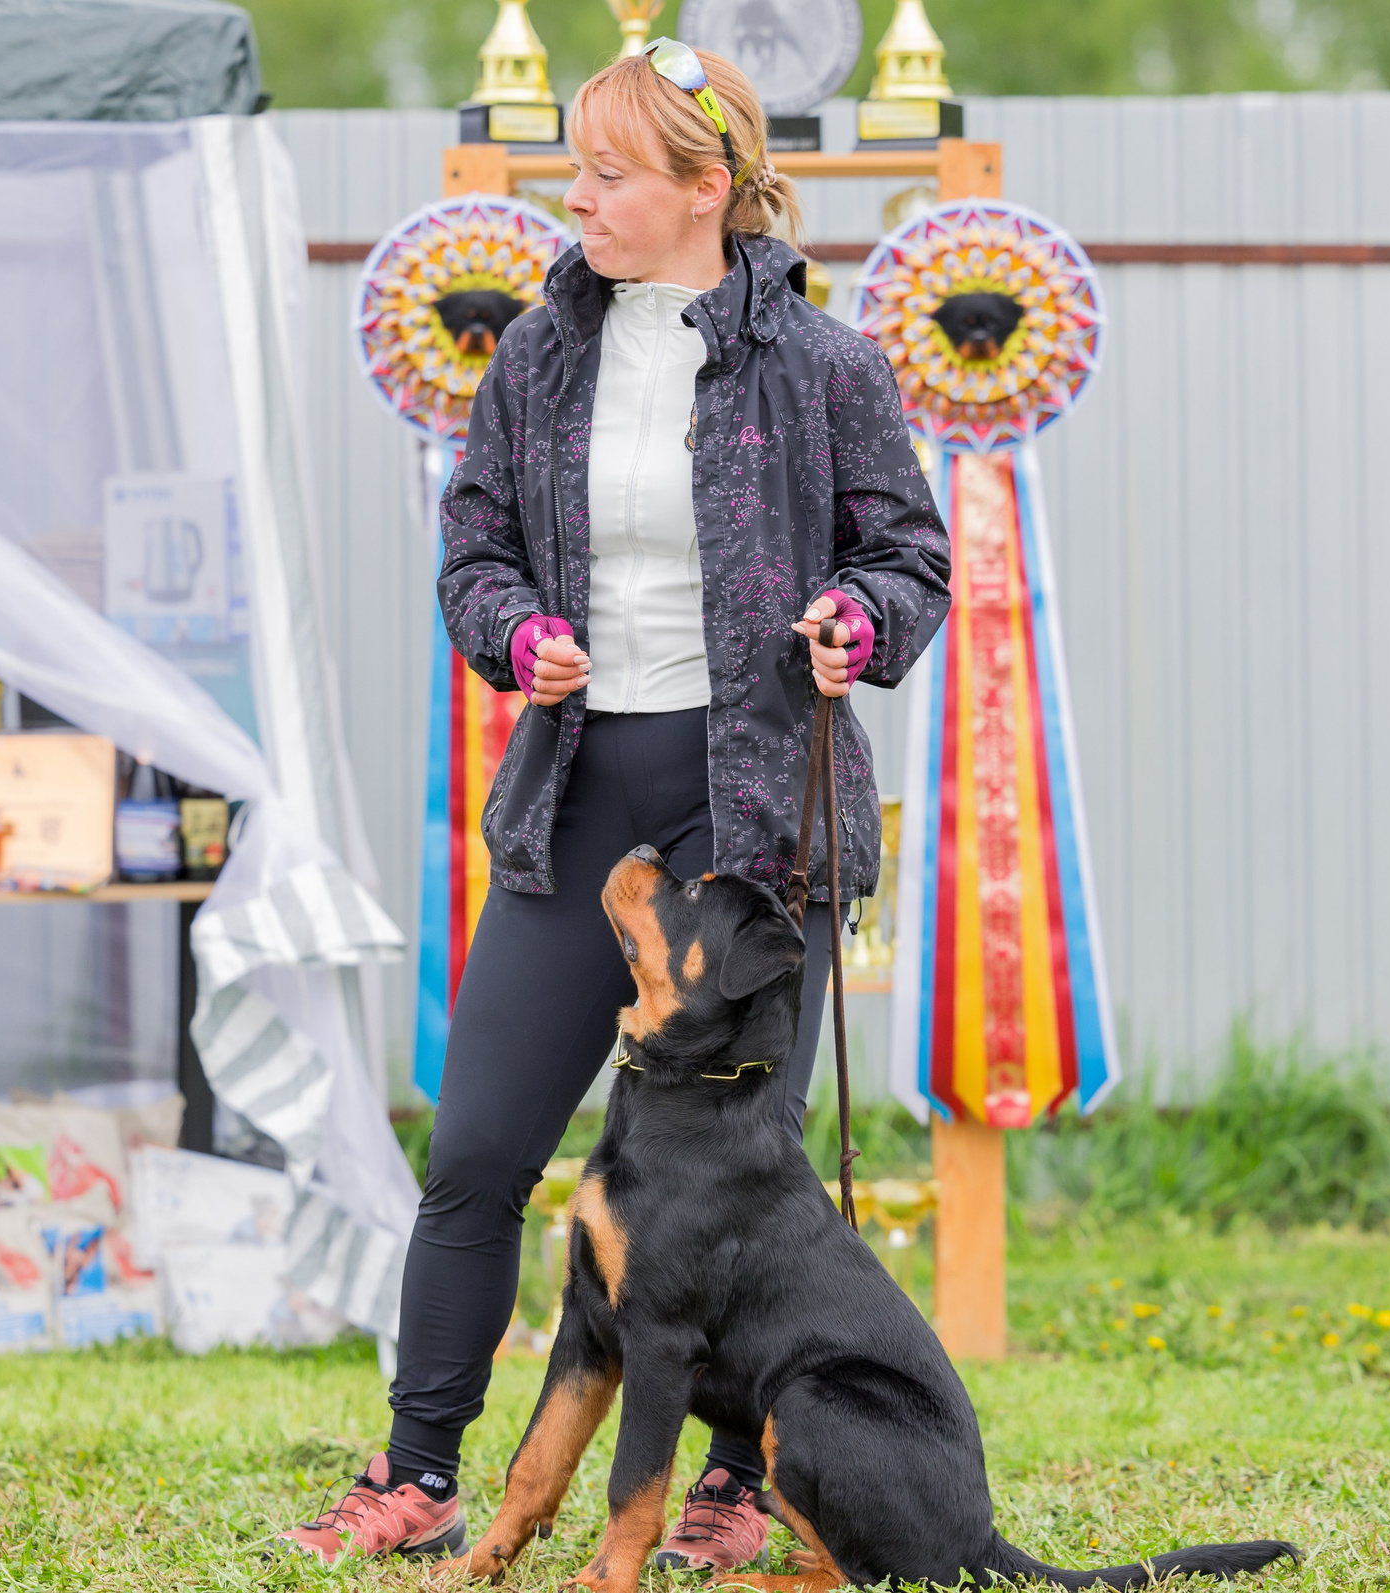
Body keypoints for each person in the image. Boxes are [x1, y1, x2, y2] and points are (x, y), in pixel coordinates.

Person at [277, 39, 950, 1574]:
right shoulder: (534, 356)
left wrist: (857, 619)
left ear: (705, 191)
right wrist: (514, 631)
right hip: (579, 794)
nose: (572, 195)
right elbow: (474, 555)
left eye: (607, 173)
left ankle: (728, 1482)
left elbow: (910, 556)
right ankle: (421, 1468)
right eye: (575, 166)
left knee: (744, 1187)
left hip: (759, 810)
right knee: (480, 1151)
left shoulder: (828, 363)